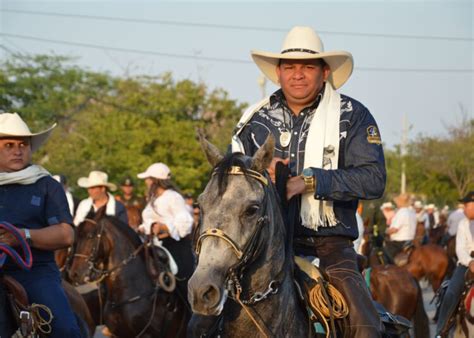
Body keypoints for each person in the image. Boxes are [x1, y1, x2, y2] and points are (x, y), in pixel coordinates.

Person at [230, 26, 385, 337]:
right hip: (259, 246)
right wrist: (257, 170)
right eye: (290, 67)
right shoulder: (253, 120)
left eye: (307, 67)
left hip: (329, 247)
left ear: (324, 71)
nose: (297, 75)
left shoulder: (353, 116)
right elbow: (231, 179)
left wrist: (309, 181)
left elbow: (374, 179)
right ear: (278, 72)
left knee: (367, 328)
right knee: (201, 316)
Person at [0, 112, 80, 337]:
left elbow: (66, 236)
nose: (18, 150)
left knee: (64, 328)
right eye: (9, 145)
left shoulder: (46, 185)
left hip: (35, 271)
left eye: (23, 144)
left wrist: (22, 236)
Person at [136, 162, 194, 299]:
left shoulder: (173, 197)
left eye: (148, 179)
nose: (146, 182)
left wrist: (163, 227)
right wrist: (142, 228)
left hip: (174, 245)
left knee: (182, 284)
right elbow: (148, 222)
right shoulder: (153, 199)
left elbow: (185, 223)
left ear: (156, 180)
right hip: (155, 245)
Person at [436, 191, 474, 337]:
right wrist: (469, 262)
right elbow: (460, 248)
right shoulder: (463, 224)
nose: (464, 209)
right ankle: (442, 330)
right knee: (451, 293)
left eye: (466, 205)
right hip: (465, 265)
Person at [384, 193, 416, 261]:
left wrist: (385, 231)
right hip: (411, 240)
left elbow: (394, 229)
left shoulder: (401, 212)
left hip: (399, 242)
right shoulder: (412, 212)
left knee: (384, 255)